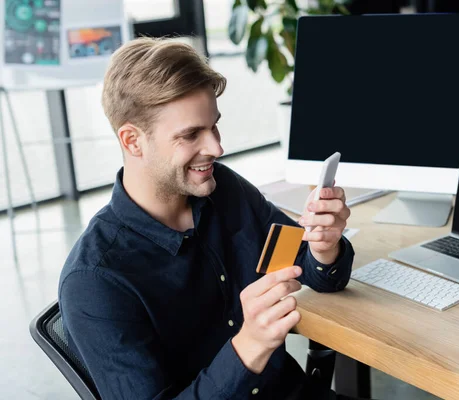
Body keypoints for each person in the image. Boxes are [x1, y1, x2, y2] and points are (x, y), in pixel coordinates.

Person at [58, 37, 356, 399]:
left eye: (213, 126)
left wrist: (324, 248)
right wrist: (249, 346)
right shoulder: (95, 281)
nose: (216, 147)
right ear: (132, 141)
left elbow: (309, 268)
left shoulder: (222, 188)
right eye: (190, 135)